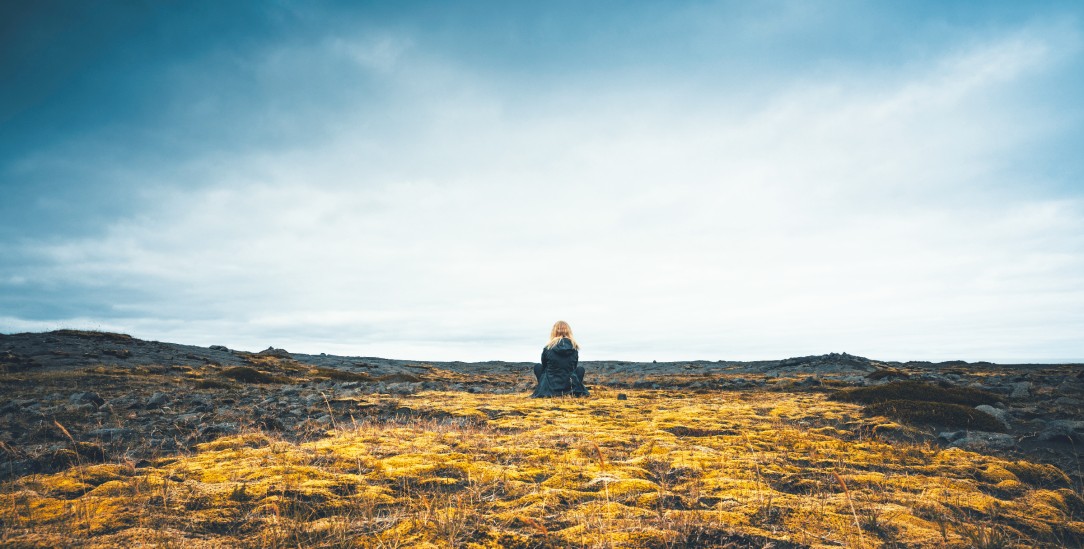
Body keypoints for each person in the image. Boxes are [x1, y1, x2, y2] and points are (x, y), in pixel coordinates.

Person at [531, 320, 589, 398]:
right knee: (580, 369)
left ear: (553, 332)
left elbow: (544, 367)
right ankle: (572, 390)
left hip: (550, 387)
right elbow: (574, 367)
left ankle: (543, 389)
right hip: (570, 386)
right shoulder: (574, 348)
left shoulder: (548, 348)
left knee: (538, 367)